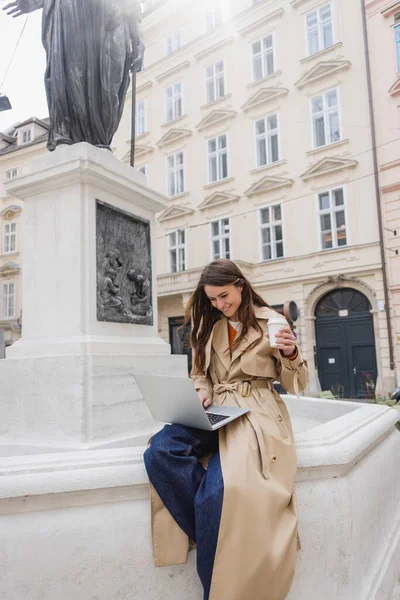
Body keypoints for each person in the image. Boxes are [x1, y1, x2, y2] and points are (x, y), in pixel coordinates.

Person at [144, 259, 309, 600]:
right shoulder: (209, 328)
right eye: (213, 299)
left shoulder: (272, 321)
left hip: (255, 411)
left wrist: (291, 351)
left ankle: (217, 559)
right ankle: (220, 536)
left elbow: (296, 382)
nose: (219, 304)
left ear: (240, 285)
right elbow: (200, 374)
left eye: (224, 296)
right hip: (215, 408)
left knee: (217, 496)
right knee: (160, 450)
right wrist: (202, 393)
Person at [3, 0, 144, 151]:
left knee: (109, 88)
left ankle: (100, 140)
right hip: (72, 11)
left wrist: (137, 40)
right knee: (71, 77)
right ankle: (67, 135)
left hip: (111, 17)